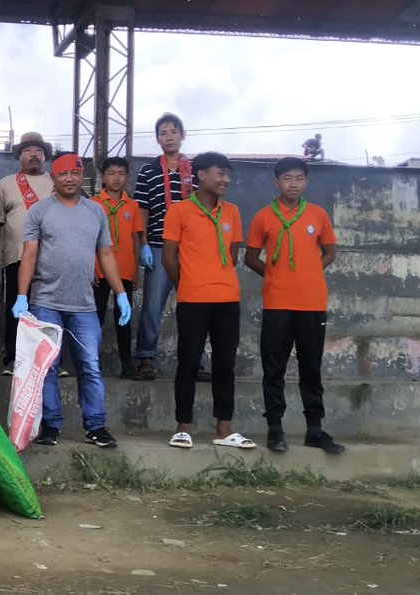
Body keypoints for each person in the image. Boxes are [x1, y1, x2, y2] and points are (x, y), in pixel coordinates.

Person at [11, 154, 130, 448]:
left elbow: (105, 255)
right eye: (62, 174)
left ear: (82, 176)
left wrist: (121, 293)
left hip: (84, 305)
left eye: (74, 173)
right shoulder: (39, 211)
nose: (68, 179)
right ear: (53, 177)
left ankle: (96, 426)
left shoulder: (95, 212)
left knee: (90, 365)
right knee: (48, 367)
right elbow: (29, 255)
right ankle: (51, 426)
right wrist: (21, 296)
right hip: (45, 302)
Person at [244, 157, 344, 454]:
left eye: (299, 178)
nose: (293, 184)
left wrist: (310, 271)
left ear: (306, 182)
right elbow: (251, 257)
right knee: (273, 368)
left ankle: (315, 429)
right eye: (287, 178)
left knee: (311, 367)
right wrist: (274, 275)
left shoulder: (318, 215)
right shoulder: (263, 217)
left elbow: (330, 252)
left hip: (312, 302)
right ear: (277, 182)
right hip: (277, 303)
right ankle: (275, 428)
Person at [161, 152, 252, 450]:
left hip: (227, 298)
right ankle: (183, 428)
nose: (225, 179)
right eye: (220, 173)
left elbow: (234, 254)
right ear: (200, 175)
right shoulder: (179, 212)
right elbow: (168, 257)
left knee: (225, 364)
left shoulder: (233, 212)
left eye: (228, 174)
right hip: (192, 299)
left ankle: (225, 429)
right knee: (188, 362)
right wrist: (186, 283)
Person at [133, 112, 195, 381]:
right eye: (163, 133)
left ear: (182, 135)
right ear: (157, 139)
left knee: (195, 306)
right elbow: (142, 210)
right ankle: (146, 357)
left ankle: (196, 360)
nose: (168, 137)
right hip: (158, 246)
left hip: (192, 249)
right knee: (152, 304)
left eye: (173, 131)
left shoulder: (195, 170)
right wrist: (143, 244)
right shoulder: (148, 170)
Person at [0, 132, 54, 375]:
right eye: (28, 150)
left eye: (38, 150)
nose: (34, 154)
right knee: (15, 308)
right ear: (19, 155)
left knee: (48, 309)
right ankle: (14, 359)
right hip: (15, 256)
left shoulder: (56, 181)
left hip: (51, 257)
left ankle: (50, 362)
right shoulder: (5, 184)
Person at [92, 157, 145, 378]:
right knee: (96, 318)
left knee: (124, 318)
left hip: (124, 269)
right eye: (111, 173)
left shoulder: (132, 206)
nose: (116, 178)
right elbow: (88, 238)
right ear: (103, 177)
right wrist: (90, 267)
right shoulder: (94, 204)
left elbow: (135, 238)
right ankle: (93, 363)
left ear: (127, 178)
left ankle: (127, 363)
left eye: (121, 173)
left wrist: (136, 268)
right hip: (99, 269)